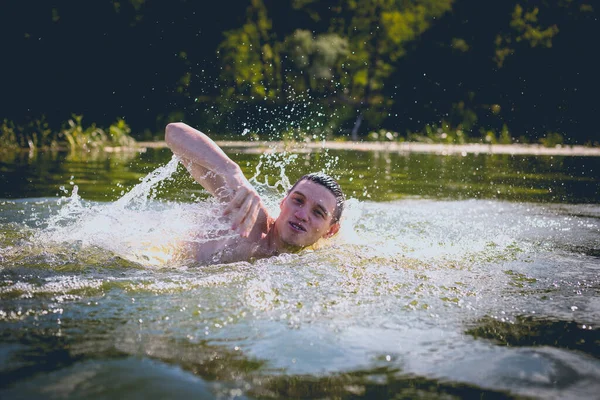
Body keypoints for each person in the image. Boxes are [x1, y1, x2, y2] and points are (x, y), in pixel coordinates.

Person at [165, 122, 345, 265]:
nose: (302, 214)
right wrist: (232, 171)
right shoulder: (248, 215)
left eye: (318, 212)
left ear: (330, 231)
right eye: (298, 200)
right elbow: (174, 132)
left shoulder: (316, 261)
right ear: (282, 203)